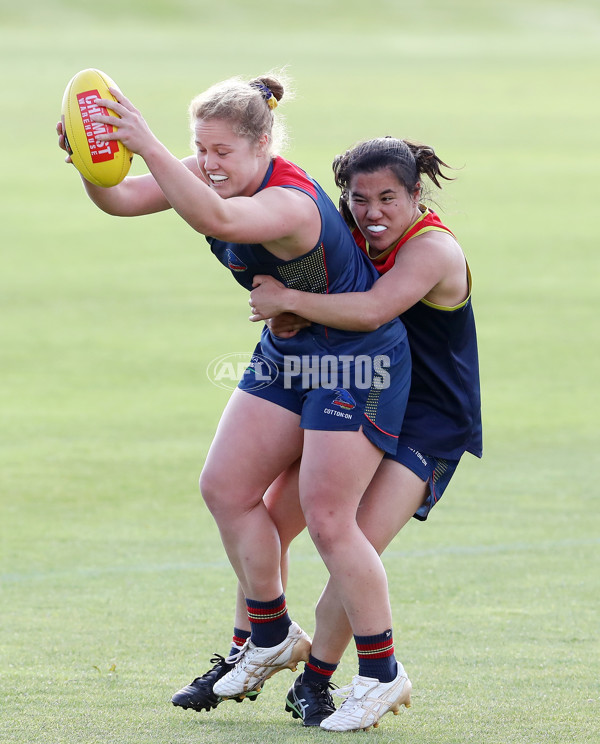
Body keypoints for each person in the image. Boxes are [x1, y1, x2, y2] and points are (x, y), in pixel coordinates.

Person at [57, 76, 413, 725]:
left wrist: (150, 145)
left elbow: (215, 218)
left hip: (356, 361)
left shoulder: (290, 203)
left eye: (221, 151)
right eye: (201, 149)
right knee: (225, 488)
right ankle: (271, 634)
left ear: (263, 144)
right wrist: (90, 161)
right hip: (287, 353)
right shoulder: (211, 175)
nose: (209, 163)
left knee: (329, 519)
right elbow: (122, 199)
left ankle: (382, 673)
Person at [172, 136, 482, 731]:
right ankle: (257, 643)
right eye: (359, 199)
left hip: (427, 420)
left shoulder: (434, 250)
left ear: (417, 195)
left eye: (389, 198)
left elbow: (369, 310)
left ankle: (323, 681)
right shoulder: (354, 230)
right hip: (348, 387)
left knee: (348, 537)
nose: (372, 213)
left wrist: (290, 300)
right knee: (267, 519)